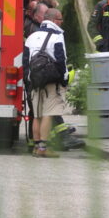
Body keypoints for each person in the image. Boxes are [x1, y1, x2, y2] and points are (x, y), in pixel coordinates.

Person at [23, 8, 71, 157]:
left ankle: (37, 147)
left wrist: (29, 80)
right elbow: (61, 60)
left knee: (36, 115)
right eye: (61, 20)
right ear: (55, 20)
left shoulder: (31, 37)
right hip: (51, 83)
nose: (62, 22)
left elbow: (25, 62)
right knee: (48, 114)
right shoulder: (57, 36)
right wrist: (64, 79)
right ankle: (44, 148)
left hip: (35, 81)